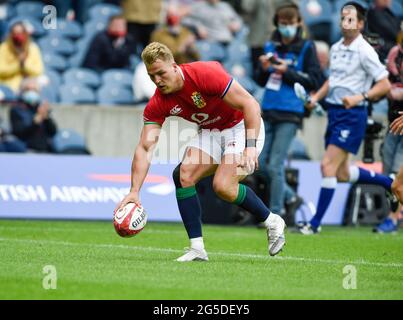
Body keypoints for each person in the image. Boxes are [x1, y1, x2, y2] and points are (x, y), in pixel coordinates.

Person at [116, 42, 286, 261]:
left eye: (161, 73)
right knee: (183, 175)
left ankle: (273, 221)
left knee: (223, 186)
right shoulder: (158, 102)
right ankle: (197, 249)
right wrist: (134, 191)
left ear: (174, 66)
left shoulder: (205, 73)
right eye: (152, 76)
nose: (157, 81)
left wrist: (250, 148)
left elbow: (250, 105)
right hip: (211, 132)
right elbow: (145, 147)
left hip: (240, 127)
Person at [299, 2, 393, 235]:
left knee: (326, 165)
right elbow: (334, 80)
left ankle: (314, 223)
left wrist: (360, 96)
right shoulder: (336, 48)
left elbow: (384, 84)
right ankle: (388, 182)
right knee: (340, 173)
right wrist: (316, 97)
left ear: (360, 24)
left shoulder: (365, 50)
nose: (345, 23)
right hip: (334, 111)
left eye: (350, 19)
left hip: (353, 114)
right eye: (342, 18)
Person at [256, 1, 323, 222]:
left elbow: (314, 80)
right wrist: (264, 69)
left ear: (299, 23)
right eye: (282, 23)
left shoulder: (306, 47)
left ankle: (276, 213)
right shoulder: (270, 46)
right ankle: (291, 198)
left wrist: (288, 72)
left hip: (290, 113)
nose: (286, 27)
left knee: (275, 164)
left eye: (290, 23)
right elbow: (261, 79)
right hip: (269, 110)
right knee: (260, 164)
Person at [374, 32, 403, 233]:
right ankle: (392, 216)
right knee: (389, 175)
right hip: (394, 120)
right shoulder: (395, 54)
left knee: (397, 177)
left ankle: (393, 218)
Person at [10, 78, 57, 153]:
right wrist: (35, 122)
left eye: (34, 90)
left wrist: (46, 119)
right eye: (28, 89)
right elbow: (18, 132)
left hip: (44, 149)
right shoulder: (17, 109)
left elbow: (53, 132)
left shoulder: (42, 107)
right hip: (25, 150)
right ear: (22, 91)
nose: (31, 92)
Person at [0, 21, 43, 92]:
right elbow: (1, 69)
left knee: (35, 84)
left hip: (26, 86)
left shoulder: (32, 48)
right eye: (15, 33)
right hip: (6, 86)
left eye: (20, 33)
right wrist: (17, 65)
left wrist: (24, 64)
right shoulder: (4, 48)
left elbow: (38, 71)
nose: (17, 36)